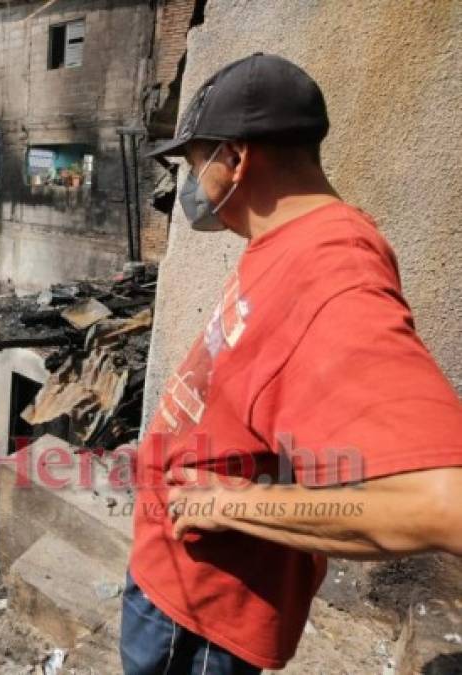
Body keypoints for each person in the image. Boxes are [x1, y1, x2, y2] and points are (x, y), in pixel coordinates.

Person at [122, 53, 462, 674]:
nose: (188, 187)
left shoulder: (332, 270)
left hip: (202, 611)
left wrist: (226, 505)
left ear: (236, 158)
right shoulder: (283, 243)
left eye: (194, 164)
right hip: (171, 576)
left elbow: (444, 502)